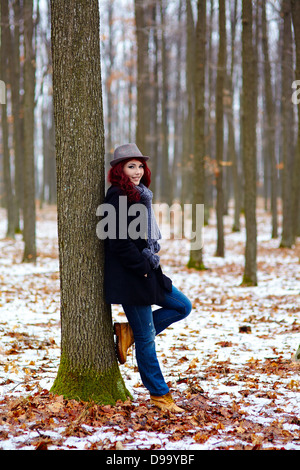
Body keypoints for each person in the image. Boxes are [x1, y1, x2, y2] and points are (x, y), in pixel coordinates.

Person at [103, 143, 192, 413]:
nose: (138, 171)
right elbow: (117, 241)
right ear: (120, 169)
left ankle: (128, 331)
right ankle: (160, 395)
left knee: (182, 306)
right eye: (131, 166)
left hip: (146, 272)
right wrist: (142, 266)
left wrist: (147, 266)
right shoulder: (117, 196)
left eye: (140, 166)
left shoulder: (140, 196)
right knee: (147, 339)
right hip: (132, 276)